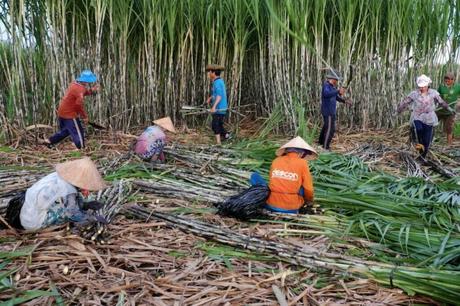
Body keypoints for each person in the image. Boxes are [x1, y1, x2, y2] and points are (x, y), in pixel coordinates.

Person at [6, 157, 106, 230]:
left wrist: (85, 205)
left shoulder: (57, 176)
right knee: (67, 214)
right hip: (32, 221)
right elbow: (73, 214)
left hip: (26, 211)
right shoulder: (68, 189)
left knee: (74, 201)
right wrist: (93, 218)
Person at [250, 136, 317, 214]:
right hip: (291, 208)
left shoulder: (276, 161)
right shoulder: (302, 163)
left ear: (286, 151)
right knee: (303, 186)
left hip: (270, 205)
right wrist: (309, 201)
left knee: (254, 176)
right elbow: (309, 189)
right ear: (301, 153)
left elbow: (274, 181)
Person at [398, 74, 454, 159]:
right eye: (420, 86)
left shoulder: (433, 93)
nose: (422, 88)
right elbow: (406, 102)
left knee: (426, 141)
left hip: (429, 117)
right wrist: (399, 109)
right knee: (418, 130)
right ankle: (416, 140)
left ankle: (422, 156)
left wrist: (449, 109)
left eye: (424, 86)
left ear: (427, 85)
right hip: (417, 116)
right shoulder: (414, 94)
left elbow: (441, 102)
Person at [45, 70, 99, 149]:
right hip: (69, 113)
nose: (89, 83)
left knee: (67, 130)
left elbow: (82, 92)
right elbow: (78, 105)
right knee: (78, 131)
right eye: (89, 81)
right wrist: (84, 116)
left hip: (62, 111)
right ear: (86, 81)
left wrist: (91, 91)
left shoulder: (74, 84)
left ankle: (50, 141)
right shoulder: (80, 89)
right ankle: (81, 148)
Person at [318, 69, 351, 150]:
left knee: (326, 127)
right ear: (333, 79)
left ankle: (320, 142)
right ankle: (325, 147)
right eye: (337, 80)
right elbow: (326, 94)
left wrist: (345, 101)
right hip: (328, 111)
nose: (337, 81)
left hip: (331, 111)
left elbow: (335, 97)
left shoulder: (332, 87)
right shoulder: (326, 86)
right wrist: (338, 91)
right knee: (330, 129)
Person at [206, 64, 230, 145]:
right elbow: (217, 94)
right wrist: (210, 97)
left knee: (215, 125)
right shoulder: (219, 81)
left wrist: (214, 107)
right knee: (219, 124)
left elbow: (219, 96)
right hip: (222, 107)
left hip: (219, 108)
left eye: (209, 72)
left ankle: (218, 143)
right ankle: (226, 135)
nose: (209, 74)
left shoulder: (217, 83)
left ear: (213, 73)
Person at [437, 72, 460, 146]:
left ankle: (449, 145)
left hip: (450, 112)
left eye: (449, 80)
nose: (447, 81)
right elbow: (437, 96)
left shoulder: (457, 87)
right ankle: (428, 141)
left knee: (449, 129)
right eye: (445, 79)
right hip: (440, 110)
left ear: (453, 80)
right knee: (431, 124)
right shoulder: (441, 87)